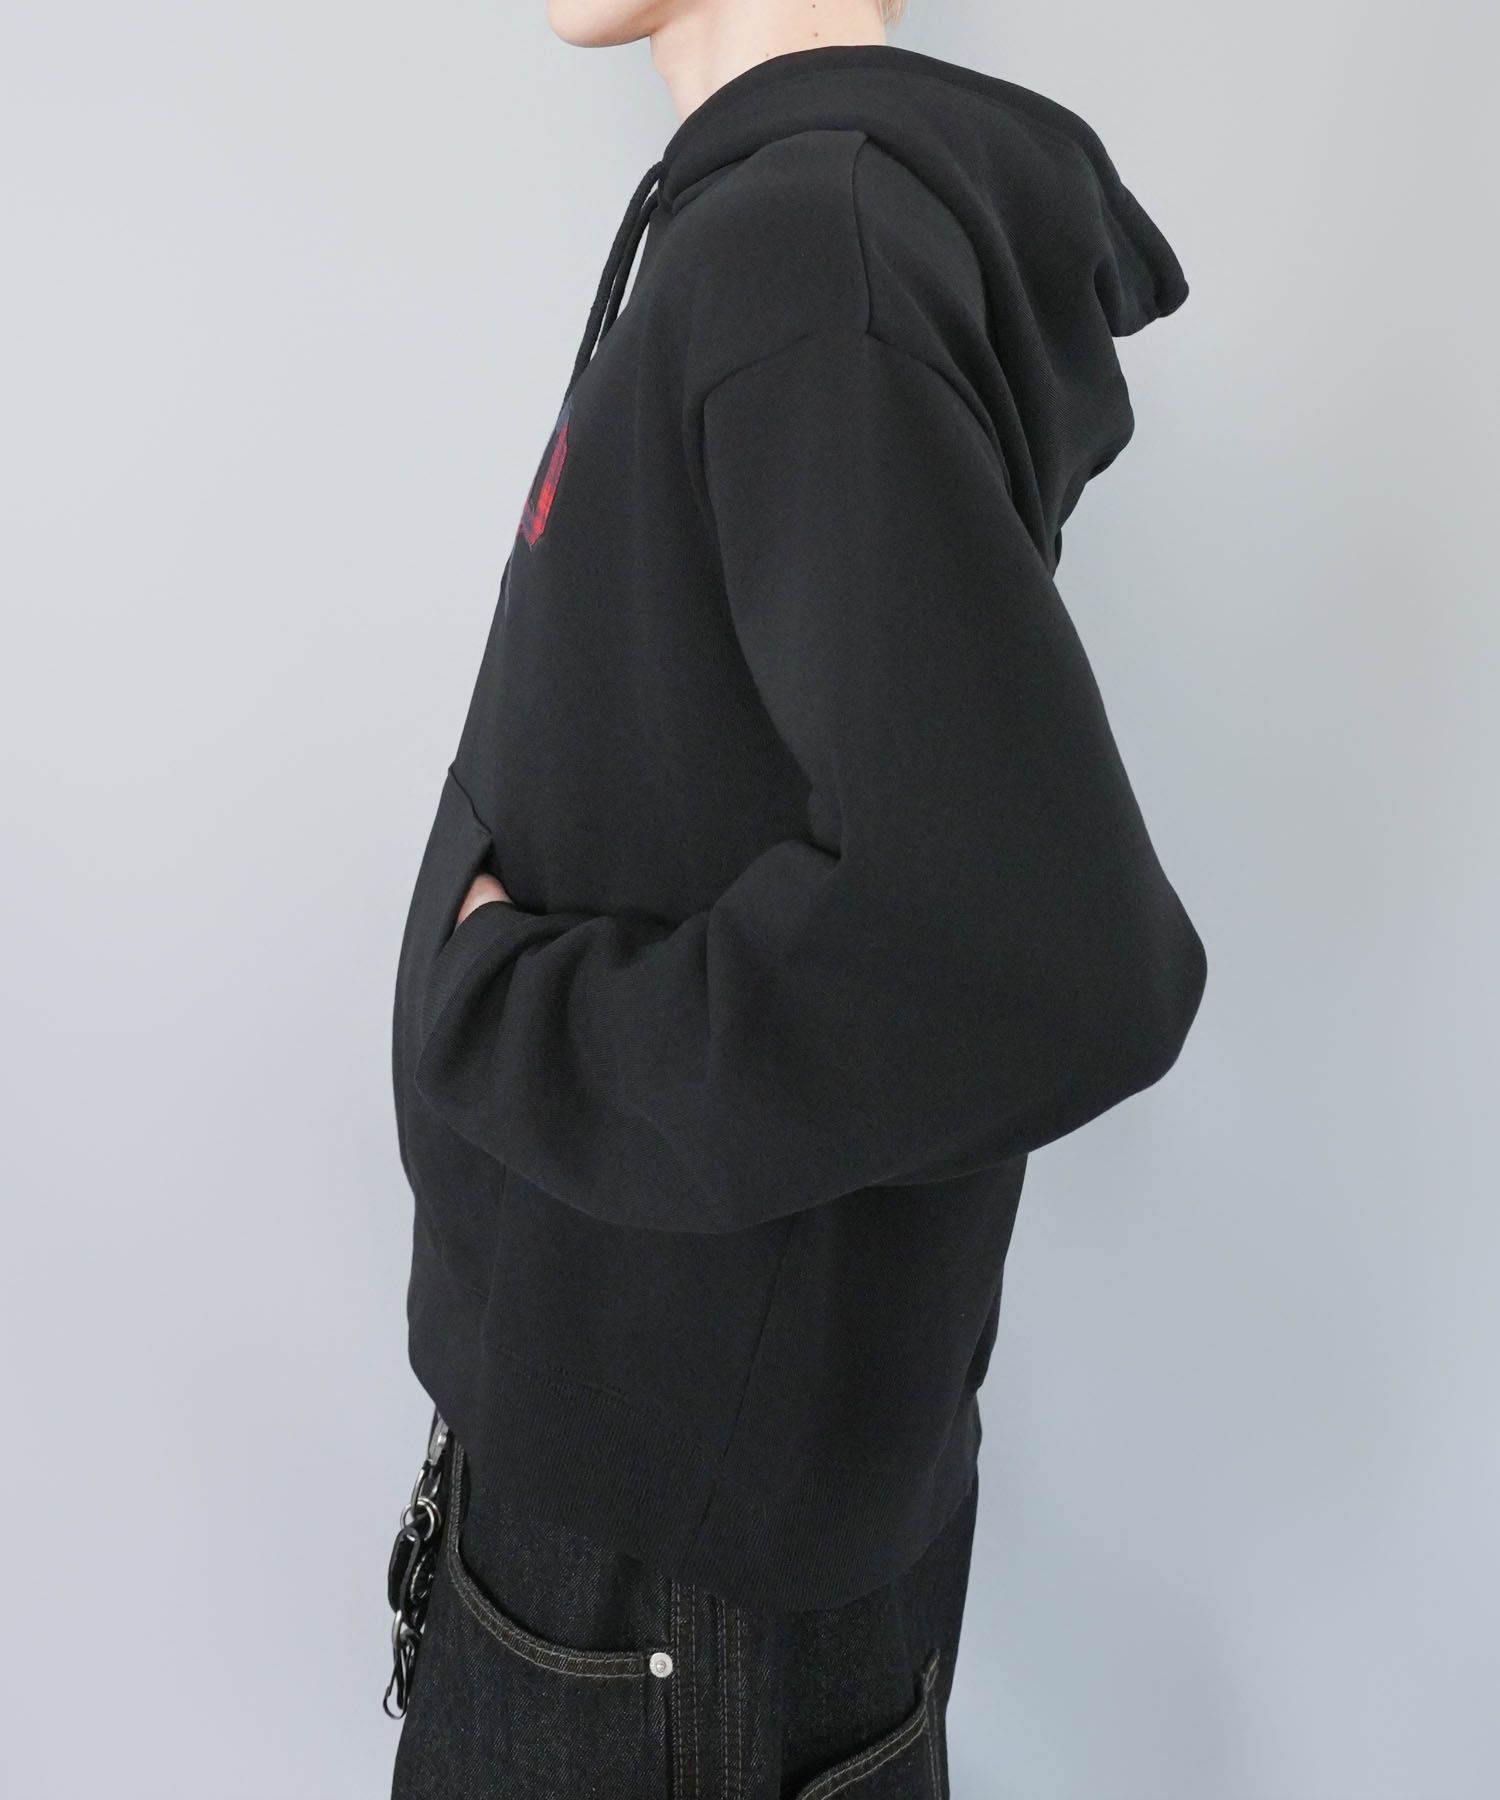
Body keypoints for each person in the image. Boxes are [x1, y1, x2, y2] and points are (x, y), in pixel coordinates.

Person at [385, 2, 1208, 1793]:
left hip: (666, 1584)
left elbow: (1044, 956)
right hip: (649, 1510)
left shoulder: (800, 259)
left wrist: (513, 1020)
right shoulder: (770, 232)